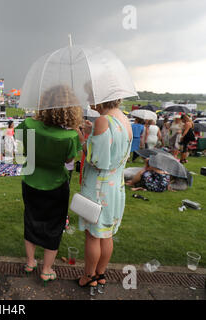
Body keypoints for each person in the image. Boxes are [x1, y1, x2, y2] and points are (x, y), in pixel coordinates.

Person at [15, 85, 83, 286]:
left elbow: (21, 145)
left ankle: (30, 262)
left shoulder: (28, 124)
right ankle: (46, 269)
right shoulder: (70, 136)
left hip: (31, 179)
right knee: (54, 225)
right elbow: (69, 159)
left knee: (31, 218)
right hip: (56, 183)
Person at [77, 99, 132, 291]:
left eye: (92, 95)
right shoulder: (124, 120)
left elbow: (95, 159)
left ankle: (88, 276)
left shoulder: (103, 120)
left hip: (99, 188)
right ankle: (100, 274)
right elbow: (113, 149)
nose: (90, 99)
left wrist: (82, 137)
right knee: (106, 234)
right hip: (116, 186)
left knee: (93, 235)